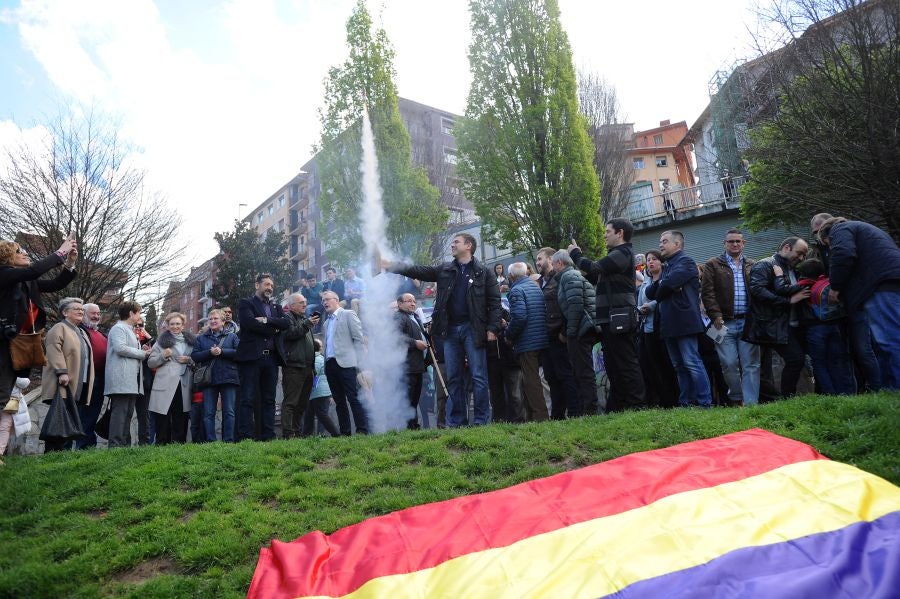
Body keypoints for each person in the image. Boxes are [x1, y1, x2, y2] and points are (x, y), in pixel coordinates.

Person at [382, 233, 502, 427]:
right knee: (453, 378)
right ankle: (457, 422)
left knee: (479, 376)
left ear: (468, 245)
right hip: (450, 331)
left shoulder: (484, 272)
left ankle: (481, 421)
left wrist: (493, 328)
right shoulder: (445, 269)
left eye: (456, 242)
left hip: (474, 330)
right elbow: (417, 270)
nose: (452, 245)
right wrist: (390, 265)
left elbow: (495, 303)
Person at [569, 218, 646, 412]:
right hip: (610, 318)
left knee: (626, 362)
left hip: (620, 316)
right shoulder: (615, 255)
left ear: (620, 233)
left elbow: (594, 267)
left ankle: (637, 404)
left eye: (607, 231)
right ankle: (618, 406)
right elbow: (595, 274)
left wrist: (576, 255)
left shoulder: (623, 252)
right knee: (613, 364)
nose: (604, 235)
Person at [817, 217, 900, 389]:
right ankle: (889, 389)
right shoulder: (866, 228)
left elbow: (844, 253)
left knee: (890, 340)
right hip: (890, 282)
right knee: (885, 342)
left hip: (879, 285)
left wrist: (836, 286)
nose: (830, 248)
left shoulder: (839, 230)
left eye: (828, 244)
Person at [0, 236, 78, 414]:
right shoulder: (3, 274)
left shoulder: (26, 280)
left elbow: (55, 284)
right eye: (20, 251)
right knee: (2, 395)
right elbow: (33, 271)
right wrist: (61, 252)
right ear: (6, 256)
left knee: (7, 398)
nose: (26, 253)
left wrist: (70, 263)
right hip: (3, 343)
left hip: (22, 343)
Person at [646, 230, 712, 408]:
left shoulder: (686, 262)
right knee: (679, 366)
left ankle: (705, 402)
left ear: (677, 244)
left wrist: (663, 285)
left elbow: (664, 288)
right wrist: (663, 284)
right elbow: (651, 293)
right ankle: (686, 402)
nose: (661, 244)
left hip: (685, 323)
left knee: (692, 362)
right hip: (669, 324)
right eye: (660, 241)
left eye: (664, 241)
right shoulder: (667, 267)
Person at [744, 237, 810, 397]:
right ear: (787, 247)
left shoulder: (791, 267)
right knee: (794, 360)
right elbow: (757, 290)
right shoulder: (765, 264)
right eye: (799, 253)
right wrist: (788, 301)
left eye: (804, 255)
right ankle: (787, 397)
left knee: (794, 361)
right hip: (772, 325)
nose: (801, 258)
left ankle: (788, 396)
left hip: (791, 324)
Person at [701, 229, 761, 406]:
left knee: (751, 364)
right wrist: (715, 314)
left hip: (749, 322)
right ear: (724, 243)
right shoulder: (712, 264)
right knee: (728, 363)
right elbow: (707, 293)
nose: (735, 244)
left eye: (738, 241)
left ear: (744, 243)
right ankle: (736, 397)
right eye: (731, 241)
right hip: (722, 323)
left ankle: (751, 404)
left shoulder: (752, 264)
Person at [235, 273, 290, 441]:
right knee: (247, 398)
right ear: (257, 285)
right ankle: (245, 437)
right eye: (267, 284)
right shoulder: (246, 303)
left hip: (271, 360)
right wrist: (274, 327)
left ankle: (269, 436)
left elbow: (286, 323)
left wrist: (266, 320)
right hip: (251, 358)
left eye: (272, 286)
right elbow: (249, 323)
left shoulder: (276, 307)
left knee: (269, 399)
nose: (270, 288)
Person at [795, 259, 856, 395]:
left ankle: (829, 394)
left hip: (815, 329)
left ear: (804, 273)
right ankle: (847, 393)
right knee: (839, 361)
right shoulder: (830, 284)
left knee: (819, 363)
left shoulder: (802, 286)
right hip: (835, 326)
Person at [41, 297, 94, 452]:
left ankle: (64, 451)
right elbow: (53, 349)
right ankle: (54, 452)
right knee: (59, 417)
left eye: (82, 309)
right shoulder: (59, 328)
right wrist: (61, 371)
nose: (80, 311)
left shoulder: (81, 332)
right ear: (65, 312)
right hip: (63, 381)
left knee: (70, 418)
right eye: (76, 308)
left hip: (78, 383)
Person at [534, 247, 579, 419]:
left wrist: (564, 332)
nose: (538, 263)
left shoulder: (560, 279)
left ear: (551, 259)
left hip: (558, 335)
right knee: (552, 378)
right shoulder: (540, 282)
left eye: (540, 259)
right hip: (546, 336)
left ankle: (575, 413)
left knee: (565, 375)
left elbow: (569, 306)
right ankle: (558, 415)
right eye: (537, 260)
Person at [551, 249, 598, 416]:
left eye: (553, 263)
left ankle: (590, 410)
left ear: (560, 263)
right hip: (580, 328)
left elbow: (575, 305)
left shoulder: (569, 276)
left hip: (582, 330)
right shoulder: (567, 276)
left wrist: (570, 332)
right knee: (580, 371)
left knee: (583, 372)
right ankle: (587, 409)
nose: (552, 267)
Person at [504, 262, 548, 422]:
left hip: (528, 342)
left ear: (510, 276)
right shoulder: (536, 287)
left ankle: (539, 417)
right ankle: (539, 414)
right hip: (542, 339)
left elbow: (520, 317)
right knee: (539, 380)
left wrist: (509, 335)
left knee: (531, 381)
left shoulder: (516, 290)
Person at [321, 290, 368, 435]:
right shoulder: (326, 323)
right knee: (339, 401)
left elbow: (358, 339)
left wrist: (358, 362)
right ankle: (345, 432)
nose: (325, 303)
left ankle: (362, 430)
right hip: (330, 365)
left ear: (337, 300)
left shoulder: (348, 314)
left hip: (347, 364)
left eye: (327, 299)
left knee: (353, 398)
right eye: (323, 301)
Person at [105, 300, 150, 448]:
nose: (139, 316)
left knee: (128, 413)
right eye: (139, 313)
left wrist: (141, 350)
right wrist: (142, 353)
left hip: (130, 380)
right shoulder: (119, 328)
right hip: (121, 379)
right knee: (120, 413)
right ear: (131, 313)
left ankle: (123, 445)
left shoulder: (128, 329)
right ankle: (116, 445)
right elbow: (120, 348)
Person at [637, 250, 679, 408]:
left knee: (668, 365)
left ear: (661, 262)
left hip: (663, 327)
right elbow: (640, 301)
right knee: (652, 367)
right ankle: (661, 400)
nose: (651, 262)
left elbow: (665, 298)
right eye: (648, 260)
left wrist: (652, 306)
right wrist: (640, 309)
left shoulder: (667, 279)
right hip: (647, 329)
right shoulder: (646, 281)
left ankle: (674, 400)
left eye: (654, 259)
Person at [191, 308, 240, 442]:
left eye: (215, 319)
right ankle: (211, 441)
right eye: (210, 319)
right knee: (208, 413)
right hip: (209, 379)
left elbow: (239, 353)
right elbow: (194, 356)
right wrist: (210, 353)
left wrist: (222, 351)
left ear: (223, 321)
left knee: (229, 412)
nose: (212, 321)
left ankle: (228, 441)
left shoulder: (232, 336)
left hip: (228, 377)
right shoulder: (201, 338)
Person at [147, 312, 195, 444]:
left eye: (178, 324)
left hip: (184, 383)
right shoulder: (160, 342)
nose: (175, 326)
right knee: (163, 416)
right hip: (165, 383)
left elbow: (197, 362)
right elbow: (151, 362)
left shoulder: (191, 342)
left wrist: (189, 360)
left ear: (183, 325)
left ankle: (179, 445)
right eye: (172, 324)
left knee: (181, 415)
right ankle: (162, 445)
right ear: (167, 326)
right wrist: (163, 355)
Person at [276, 294, 320, 438]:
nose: (305, 305)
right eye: (301, 302)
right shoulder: (287, 318)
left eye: (305, 302)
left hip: (307, 368)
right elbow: (290, 334)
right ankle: (288, 434)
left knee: (302, 403)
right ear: (292, 305)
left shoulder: (303, 320)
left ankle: (296, 431)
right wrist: (307, 324)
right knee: (291, 402)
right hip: (294, 367)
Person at [74, 303, 107, 449]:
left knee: (93, 413)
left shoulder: (101, 333)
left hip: (101, 379)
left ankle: (89, 445)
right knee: (84, 414)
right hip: (86, 379)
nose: (97, 316)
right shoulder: (78, 331)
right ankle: (84, 445)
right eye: (93, 313)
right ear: (84, 314)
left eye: (98, 313)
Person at [395, 293, 428, 429]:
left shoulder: (414, 317)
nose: (413, 304)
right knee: (408, 400)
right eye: (409, 301)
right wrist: (415, 343)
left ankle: (413, 426)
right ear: (400, 303)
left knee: (414, 399)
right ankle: (409, 427)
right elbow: (396, 337)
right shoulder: (398, 317)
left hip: (417, 365)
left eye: (414, 301)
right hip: (406, 366)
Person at [302, 339, 341, 437]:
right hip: (320, 392)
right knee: (312, 415)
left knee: (318, 415)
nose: (323, 347)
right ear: (319, 348)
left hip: (316, 392)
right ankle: (308, 435)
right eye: (322, 346)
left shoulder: (312, 359)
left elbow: (310, 375)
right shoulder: (321, 359)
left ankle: (335, 434)